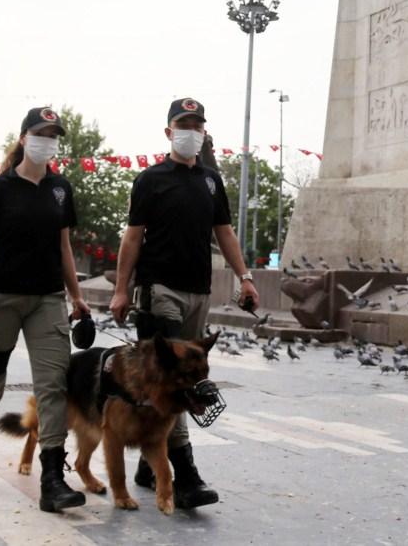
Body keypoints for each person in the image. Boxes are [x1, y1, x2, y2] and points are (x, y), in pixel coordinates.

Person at [109, 96, 260, 509]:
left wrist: (245, 278)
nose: (191, 132)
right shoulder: (150, 180)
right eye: (184, 124)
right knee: (172, 378)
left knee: (187, 376)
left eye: (197, 125)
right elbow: (133, 237)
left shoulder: (211, 181)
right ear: (168, 131)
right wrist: (122, 290)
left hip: (199, 291)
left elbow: (224, 232)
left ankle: (146, 463)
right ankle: (187, 476)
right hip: (161, 291)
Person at [0, 106, 90, 513]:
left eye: (53, 135)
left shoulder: (61, 189)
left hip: (48, 299)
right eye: (40, 133)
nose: (46, 141)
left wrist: (76, 294)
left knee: (53, 386)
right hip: (2, 299)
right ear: (22, 138)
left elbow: (64, 246)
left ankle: (53, 478)